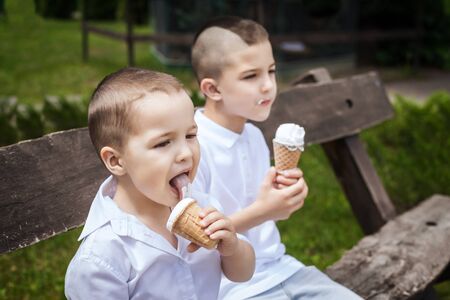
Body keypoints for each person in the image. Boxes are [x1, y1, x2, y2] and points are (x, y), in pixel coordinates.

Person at [191, 16, 363, 299]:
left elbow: (263, 206)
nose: (268, 85)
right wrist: (265, 210)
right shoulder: (194, 147)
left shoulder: (255, 137)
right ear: (212, 89)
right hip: (229, 287)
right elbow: (198, 240)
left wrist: (285, 196)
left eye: (270, 71)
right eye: (251, 76)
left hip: (282, 268)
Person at [64, 67, 255, 299]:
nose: (185, 153)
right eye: (163, 143)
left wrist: (232, 249)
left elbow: (242, 274)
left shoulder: (201, 204)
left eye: (190, 135)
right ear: (116, 160)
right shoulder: (102, 257)